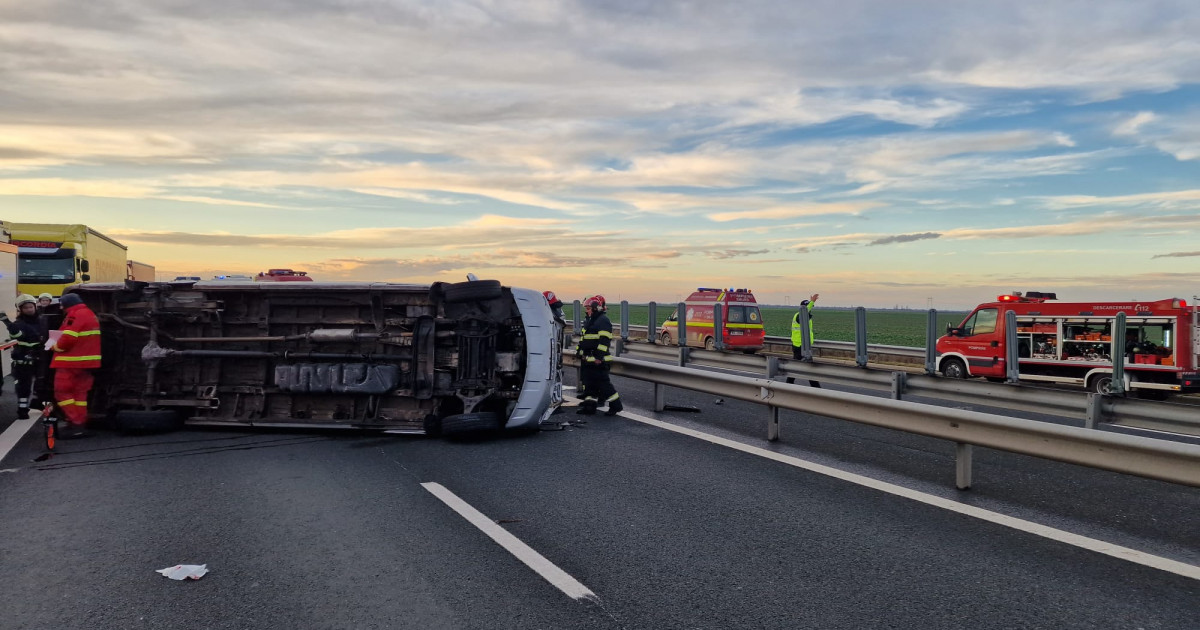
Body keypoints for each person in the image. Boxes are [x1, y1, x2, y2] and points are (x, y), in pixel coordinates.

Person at [50, 293, 102, 438]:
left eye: (62, 305)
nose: (61, 308)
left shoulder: (74, 315)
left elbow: (67, 339)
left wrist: (54, 347)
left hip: (71, 362)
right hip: (86, 363)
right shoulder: (89, 313)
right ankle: (79, 425)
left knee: (62, 392)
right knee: (79, 395)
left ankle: (75, 422)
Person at [1, 295, 47, 417]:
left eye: (31, 307)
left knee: (42, 383)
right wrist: (7, 322)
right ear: (20, 309)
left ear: (35, 306)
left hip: (40, 357)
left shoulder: (42, 319)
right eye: (26, 307)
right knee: (24, 386)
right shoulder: (19, 323)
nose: (29, 309)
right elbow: (18, 336)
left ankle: (37, 402)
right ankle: (22, 409)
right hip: (23, 358)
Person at [575, 295, 622, 416]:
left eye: (589, 308)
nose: (587, 310)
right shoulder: (591, 321)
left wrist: (598, 357)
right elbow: (584, 339)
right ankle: (589, 407)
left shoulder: (603, 321)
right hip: (589, 359)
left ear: (596, 308)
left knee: (604, 386)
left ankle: (616, 405)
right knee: (590, 386)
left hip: (598, 361)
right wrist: (579, 352)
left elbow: (604, 341)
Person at [787, 293, 821, 387]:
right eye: (808, 307)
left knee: (798, 366)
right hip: (799, 345)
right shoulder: (799, 316)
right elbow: (806, 311)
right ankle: (816, 387)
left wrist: (811, 302)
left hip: (804, 345)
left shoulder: (806, 317)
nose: (810, 309)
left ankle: (789, 383)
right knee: (808, 366)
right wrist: (812, 302)